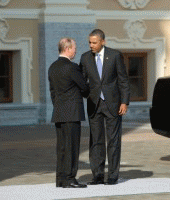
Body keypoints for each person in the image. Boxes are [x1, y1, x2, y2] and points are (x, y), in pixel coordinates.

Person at [79, 29, 130, 185]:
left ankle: (113, 175)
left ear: (103, 41)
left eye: (94, 42)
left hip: (113, 105)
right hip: (94, 105)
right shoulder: (85, 58)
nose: (91, 45)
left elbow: (123, 80)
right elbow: (82, 81)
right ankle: (98, 175)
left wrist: (124, 102)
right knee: (96, 141)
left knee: (113, 141)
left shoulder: (115, 56)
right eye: (89, 42)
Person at [48, 38, 89, 188]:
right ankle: (70, 179)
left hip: (59, 112)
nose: (76, 50)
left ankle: (60, 179)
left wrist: (59, 106)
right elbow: (84, 88)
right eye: (74, 48)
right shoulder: (71, 67)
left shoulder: (52, 67)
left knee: (62, 148)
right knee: (72, 147)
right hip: (72, 113)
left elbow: (52, 92)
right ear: (67, 49)